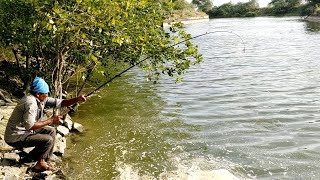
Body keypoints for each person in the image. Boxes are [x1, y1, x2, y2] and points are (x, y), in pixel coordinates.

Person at [4, 77, 86, 172]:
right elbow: (30, 126)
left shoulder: (41, 99)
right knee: (48, 140)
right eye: (45, 93)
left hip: (26, 131)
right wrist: (50, 120)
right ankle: (39, 165)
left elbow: (61, 103)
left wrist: (77, 99)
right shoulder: (30, 103)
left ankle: (36, 158)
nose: (47, 95)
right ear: (38, 94)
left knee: (51, 131)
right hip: (15, 136)